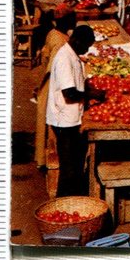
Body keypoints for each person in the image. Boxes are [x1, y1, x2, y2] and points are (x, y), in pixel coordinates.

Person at [47, 24, 104, 197]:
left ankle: (74, 198)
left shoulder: (72, 55)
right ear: (77, 40)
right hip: (64, 120)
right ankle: (63, 202)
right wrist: (91, 94)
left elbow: (78, 82)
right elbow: (70, 93)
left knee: (76, 161)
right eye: (86, 46)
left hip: (72, 117)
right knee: (68, 167)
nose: (86, 50)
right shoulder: (65, 58)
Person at [34, 11, 78, 168]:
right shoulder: (60, 42)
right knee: (52, 126)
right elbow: (54, 69)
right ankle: (48, 161)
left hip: (50, 84)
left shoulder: (53, 33)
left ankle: (45, 158)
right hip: (54, 87)